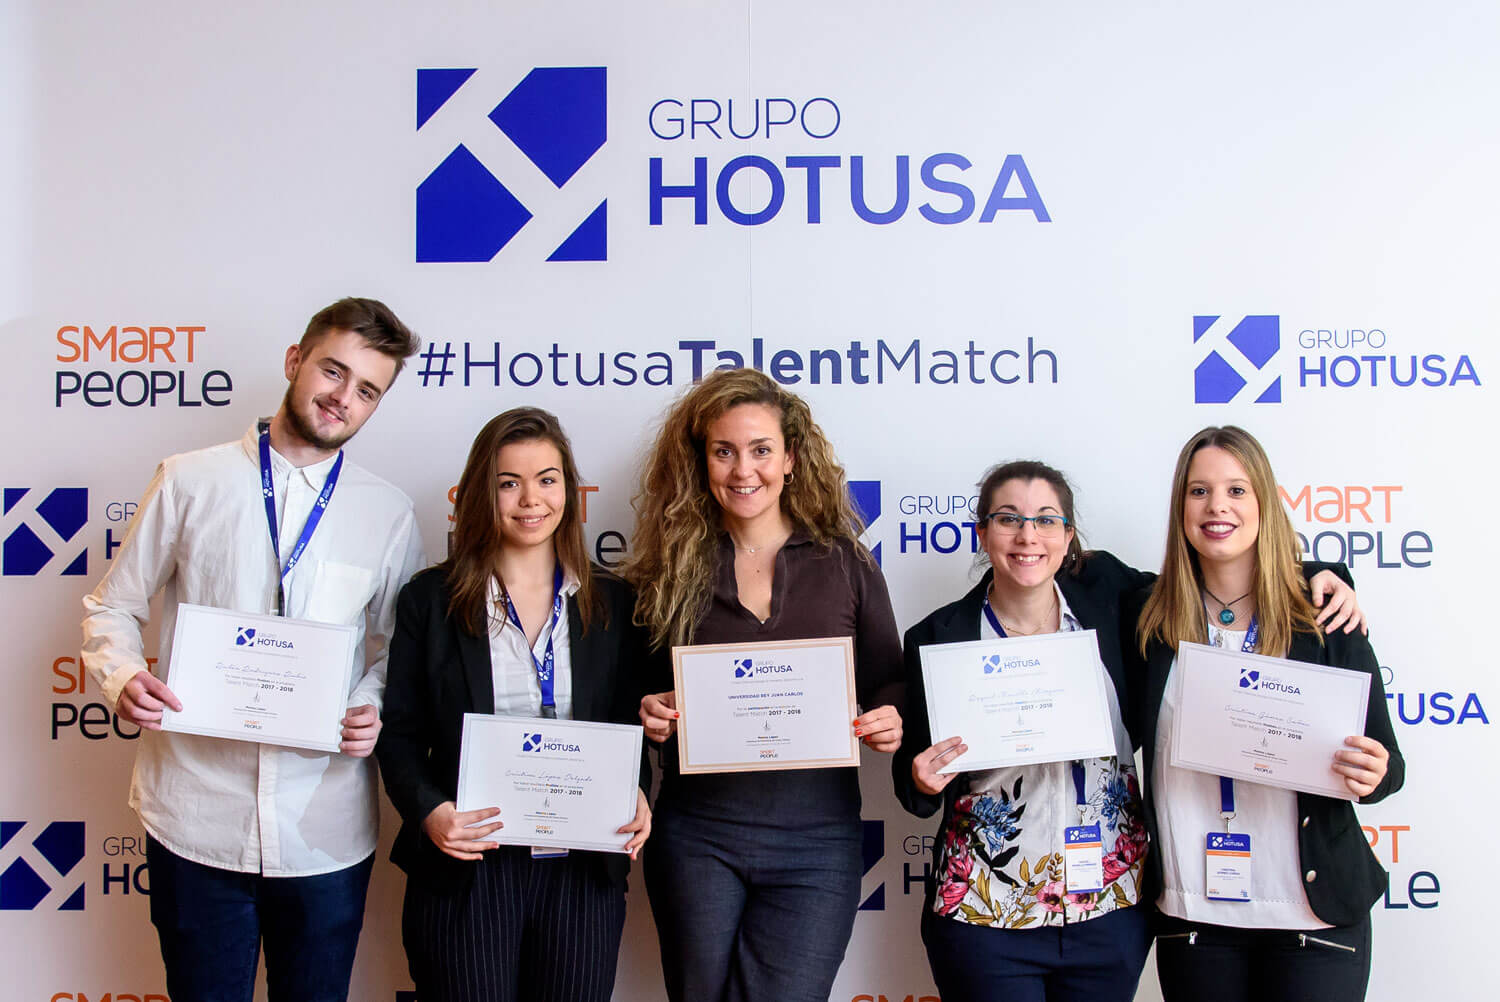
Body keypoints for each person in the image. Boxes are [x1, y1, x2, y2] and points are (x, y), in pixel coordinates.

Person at [894, 460, 1363, 1002]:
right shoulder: (938, 637)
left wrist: (1318, 574)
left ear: (1069, 536)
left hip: (1109, 907)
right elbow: (914, 778)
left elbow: (1210, 578)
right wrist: (921, 780)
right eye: (1008, 519)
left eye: (1046, 519)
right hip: (982, 909)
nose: (1028, 536)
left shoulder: (1110, 596)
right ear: (982, 532)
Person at [79, 297, 427, 1002]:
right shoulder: (189, 479)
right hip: (194, 817)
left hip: (323, 830)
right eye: (333, 371)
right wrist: (122, 677)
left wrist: (368, 703)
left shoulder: (387, 511)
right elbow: (113, 605)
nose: (343, 398)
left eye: (368, 390)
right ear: (296, 361)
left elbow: (397, 648)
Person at [625, 367, 904, 1002]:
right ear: (700, 462)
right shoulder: (668, 571)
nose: (743, 469)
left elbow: (889, 681)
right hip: (697, 836)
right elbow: (637, 693)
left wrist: (889, 717)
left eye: (760, 450)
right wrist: (650, 711)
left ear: (791, 458)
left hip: (817, 841)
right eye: (723, 451)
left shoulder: (846, 563)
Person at [377, 407, 651, 1002]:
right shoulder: (431, 600)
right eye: (509, 482)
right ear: (482, 492)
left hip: (583, 864)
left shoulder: (613, 602)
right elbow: (398, 734)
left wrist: (636, 792)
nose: (531, 500)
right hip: (470, 863)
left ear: (569, 490)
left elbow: (630, 725)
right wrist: (430, 812)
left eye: (547, 479)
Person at [1129, 426, 1403, 1002]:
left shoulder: (1323, 616)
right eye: (1199, 491)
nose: (1217, 506)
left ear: (1265, 504)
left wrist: (1373, 773)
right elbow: (1042, 560)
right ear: (1180, 507)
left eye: (1237, 490)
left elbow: (1388, 769)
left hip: (1313, 920)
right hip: (1195, 917)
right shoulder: (1150, 618)